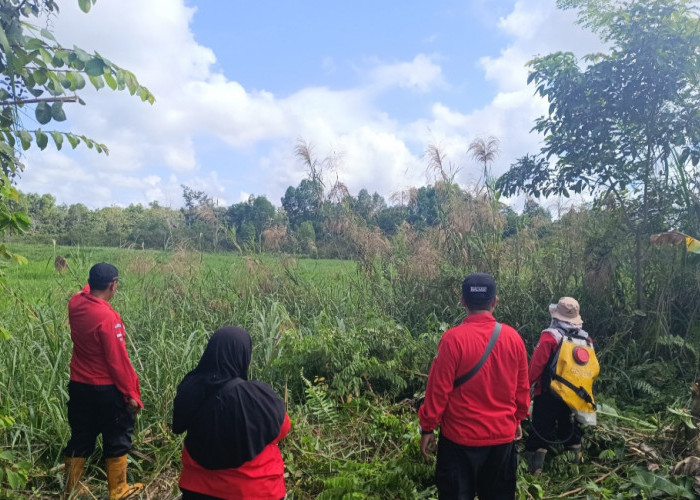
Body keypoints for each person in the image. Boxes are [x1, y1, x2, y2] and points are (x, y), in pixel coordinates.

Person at [418, 273, 530, 500]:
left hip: (459, 440)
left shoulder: (452, 340)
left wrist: (427, 428)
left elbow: (437, 391)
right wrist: (517, 418)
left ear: (462, 301)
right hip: (501, 437)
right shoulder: (513, 338)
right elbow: (522, 388)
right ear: (495, 301)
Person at [173, 326, 291, 500]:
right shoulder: (258, 397)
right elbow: (283, 429)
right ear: (245, 357)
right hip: (256, 490)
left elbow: (177, 426)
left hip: (197, 489)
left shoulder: (190, 388)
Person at [63, 263, 144, 499]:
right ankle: (118, 490)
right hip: (106, 390)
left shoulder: (75, 303)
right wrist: (132, 394)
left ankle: (71, 489)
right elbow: (118, 362)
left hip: (79, 386)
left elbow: (86, 289)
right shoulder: (108, 317)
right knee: (117, 436)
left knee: (81, 435)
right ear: (113, 285)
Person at [526, 297, 591, 475]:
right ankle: (573, 469)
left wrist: (527, 387)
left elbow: (536, 366)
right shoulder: (585, 339)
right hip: (574, 394)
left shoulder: (550, 336)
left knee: (541, 428)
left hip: (549, 392)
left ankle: (535, 472)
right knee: (570, 427)